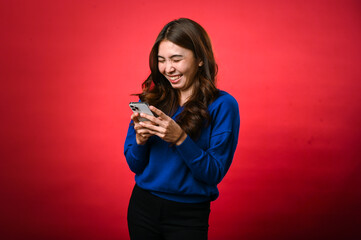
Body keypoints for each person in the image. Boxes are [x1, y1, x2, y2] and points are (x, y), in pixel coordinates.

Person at [124, 18, 240, 240]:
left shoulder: (223, 105)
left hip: (188, 215)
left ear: (199, 59)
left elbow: (213, 173)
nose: (168, 68)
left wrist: (180, 138)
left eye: (176, 59)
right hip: (142, 207)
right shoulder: (152, 99)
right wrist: (140, 141)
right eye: (162, 60)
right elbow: (134, 164)